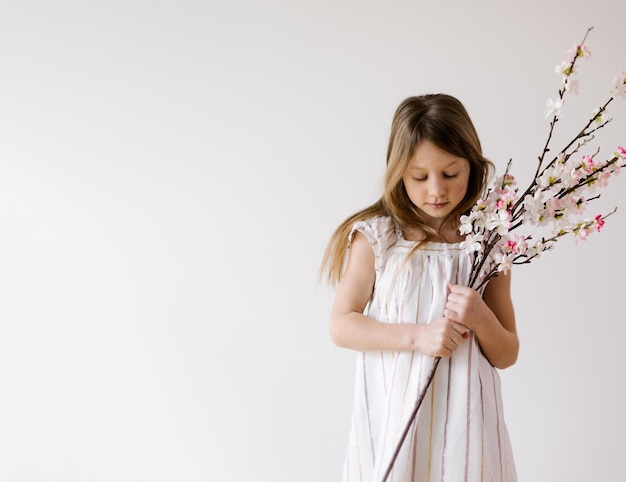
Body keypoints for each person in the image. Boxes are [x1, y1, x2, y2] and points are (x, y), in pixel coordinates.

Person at [320, 94, 518, 481]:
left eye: (450, 173)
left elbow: (507, 352)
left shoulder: (488, 240)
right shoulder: (379, 237)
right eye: (419, 177)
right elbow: (341, 325)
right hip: (396, 422)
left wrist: (481, 318)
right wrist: (418, 337)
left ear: (472, 167)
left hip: (468, 431)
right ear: (399, 172)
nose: (436, 190)